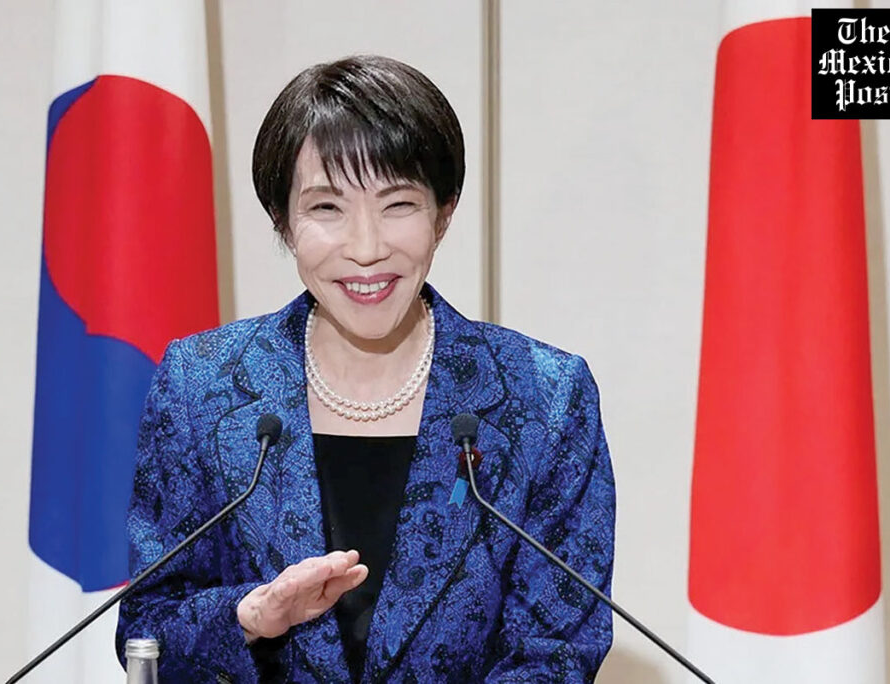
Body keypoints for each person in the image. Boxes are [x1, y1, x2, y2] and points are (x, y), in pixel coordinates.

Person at [115, 54, 615, 683]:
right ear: (283, 222)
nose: (367, 248)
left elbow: (559, 651)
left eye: (397, 204)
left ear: (443, 214)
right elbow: (146, 631)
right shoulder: (203, 385)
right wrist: (251, 616)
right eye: (327, 208)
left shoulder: (544, 397)